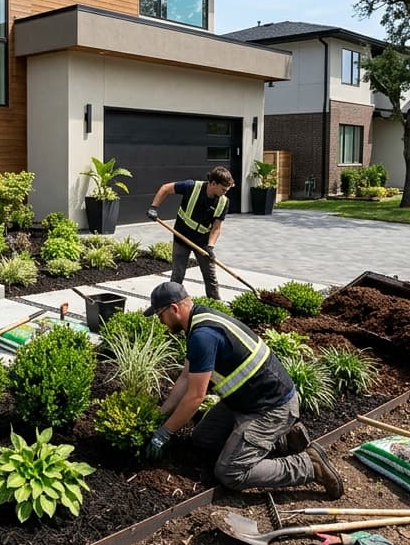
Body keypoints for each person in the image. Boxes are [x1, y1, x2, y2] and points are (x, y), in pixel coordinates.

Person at [142, 281, 345, 497]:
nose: (161, 321)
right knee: (203, 438)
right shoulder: (201, 321)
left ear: (174, 309)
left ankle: (309, 465)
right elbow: (185, 378)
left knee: (230, 472)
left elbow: (195, 397)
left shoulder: (203, 336)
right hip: (246, 401)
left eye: (160, 315)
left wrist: (164, 433)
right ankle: (282, 439)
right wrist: (161, 415)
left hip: (272, 408)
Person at [146, 166, 234, 300]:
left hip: (202, 242)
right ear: (213, 183)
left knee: (210, 277)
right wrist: (153, 207)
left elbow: (216, 227)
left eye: (227, 190)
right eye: (223, 189)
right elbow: (166, 188)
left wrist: (210, 247)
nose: (225, 193)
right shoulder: (191, 187)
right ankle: (171, 303)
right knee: (177, 276)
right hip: (182, 237)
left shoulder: (223, 202)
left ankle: (217, 305)